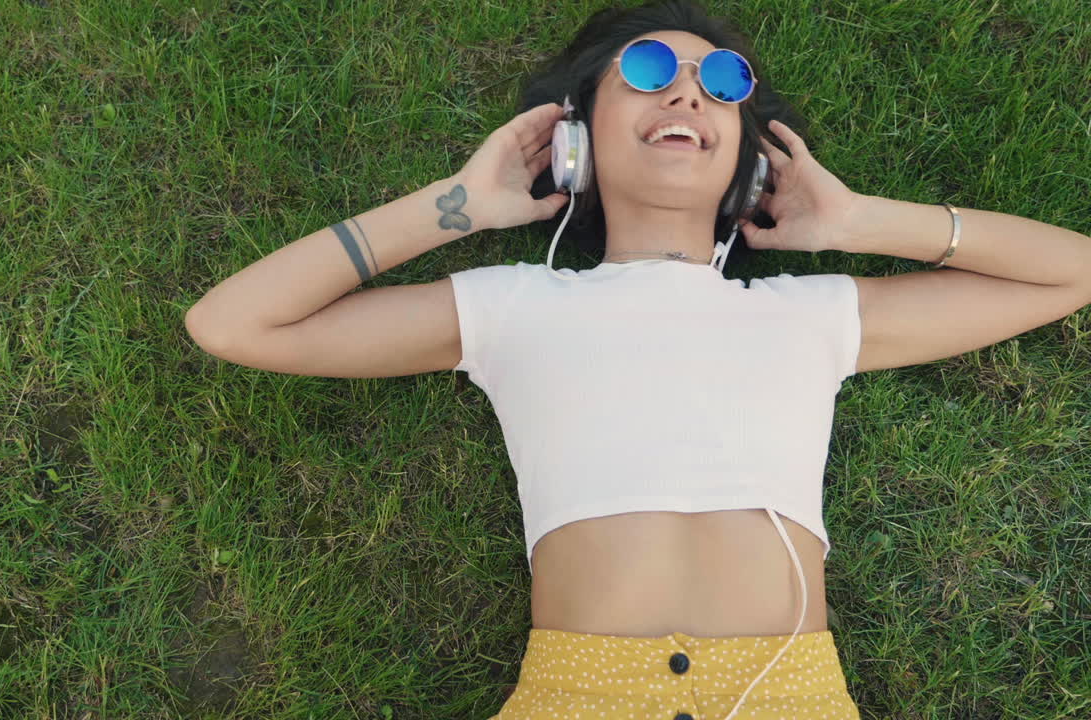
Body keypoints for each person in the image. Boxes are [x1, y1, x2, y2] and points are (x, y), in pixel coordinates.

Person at [184, 1, 1091, 717]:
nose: (689, 95)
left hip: (789, 694)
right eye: (651, 71)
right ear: (573, 138)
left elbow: (1071, 273)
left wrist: (859, 223)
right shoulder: (513, 306)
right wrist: (455, 205)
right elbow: (235, 324)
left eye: (722, 83)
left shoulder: (812, 316)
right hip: (576, 695)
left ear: (748, 161)